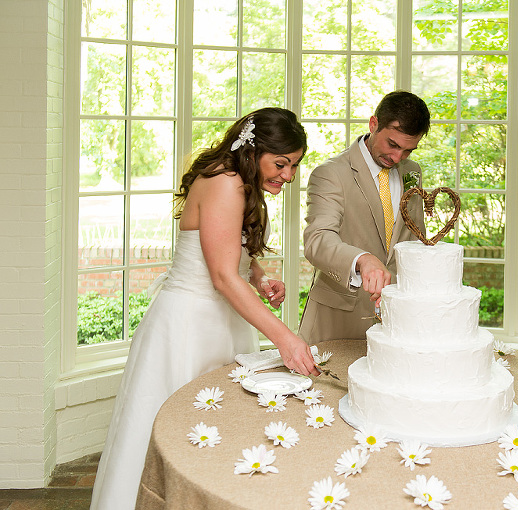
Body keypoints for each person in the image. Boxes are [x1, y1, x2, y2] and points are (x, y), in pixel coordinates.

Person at [90, 107, 319, 510]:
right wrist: (285, 337)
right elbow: (221, 276)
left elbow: (232, 255)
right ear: (253, 150)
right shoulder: (225, 181)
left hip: (223, 323)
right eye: (281, 163)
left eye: (295, 166)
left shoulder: (239, 181)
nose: (288, 175)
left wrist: (260, 278)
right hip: (187, 327)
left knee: (216, 430)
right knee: (176, 434)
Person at [300, 91, 431, 343]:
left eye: (408, 150)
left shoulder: (412, 172)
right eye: (392, 145)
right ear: (373, 124)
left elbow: (415, 237)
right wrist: (362, 259)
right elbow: (318, 239)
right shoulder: (330, 173)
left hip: (397, 323)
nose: (397, 158)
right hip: (338, 321)